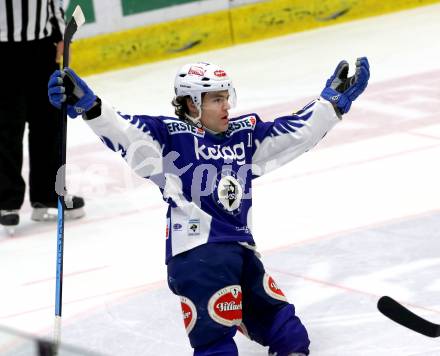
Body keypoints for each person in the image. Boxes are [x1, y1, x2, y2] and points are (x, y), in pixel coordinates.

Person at [47, 59, 369, 355]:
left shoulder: (244, 136)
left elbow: (293, 133)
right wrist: (90, 107)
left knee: (288, 332)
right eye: (216, 100)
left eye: (226, 97)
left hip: (241, 251)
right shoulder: (168, 139)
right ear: (191, 103)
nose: (226, 106)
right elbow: (125, 130)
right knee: (216, 344)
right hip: (197, 256)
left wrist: (330, 104)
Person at [0, 0, 85, 235]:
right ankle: (6, 203)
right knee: (6, 127)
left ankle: (48, 197)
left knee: (48, 122)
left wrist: (59, 34)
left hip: (40, 46)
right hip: (2, 48)